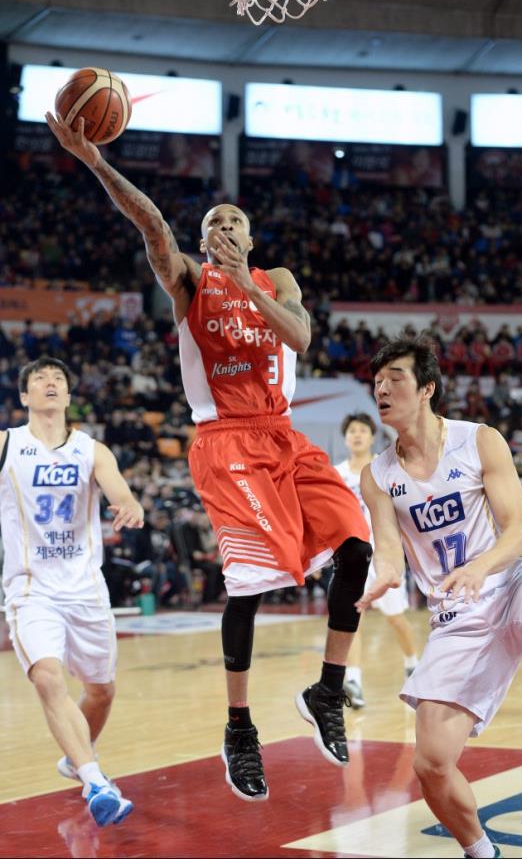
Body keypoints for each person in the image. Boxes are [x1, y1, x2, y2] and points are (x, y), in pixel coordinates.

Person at [46, 113, 372, 803]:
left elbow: (301, 337)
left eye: (234, 223)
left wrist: (249, 283)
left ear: (249, 239)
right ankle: (239, 729)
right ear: (200, 242)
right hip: (225, 442)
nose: (223, 228)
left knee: (357, 545)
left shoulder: (275, 278)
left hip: (285, 436)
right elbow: (152, 226)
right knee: (247, 587)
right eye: (213, 224)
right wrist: (96, 161)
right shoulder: (190, 280)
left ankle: (328, 690)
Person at [356, 333, 522, 859]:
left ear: (427, 388)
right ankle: (482, 853)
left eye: (395, 380)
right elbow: (388, 550)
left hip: (515, 580)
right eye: (377, 382)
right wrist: (382, 576)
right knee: (431, 764)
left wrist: (479, 567)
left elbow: (518, 532)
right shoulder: (378, 475)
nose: (382, 390)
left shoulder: (479, 440)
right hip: (457, 617)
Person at [0, 357, 144, 826]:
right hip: (31, 589)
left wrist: (129, 504)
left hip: (85, 590)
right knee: (47, 677)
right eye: (39, 379)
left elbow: (119, 490)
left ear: (67, 395)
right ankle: (95, 781)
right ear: (24, 396)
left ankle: (76, 756)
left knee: (101, 691)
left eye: (58, 379)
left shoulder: (91, 450)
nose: (50, 383)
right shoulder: (7, 445)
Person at [334, 412, 418, 708]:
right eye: (352, 431)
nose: (356, 435)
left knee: (396, 619)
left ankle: (413, 664)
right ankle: (354, 681)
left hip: (384, 553)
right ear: (346, 438)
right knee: (352, 619)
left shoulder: (385, 469)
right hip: (350, 556)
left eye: (362, 430)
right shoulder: (336, 474)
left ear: (372, 437)